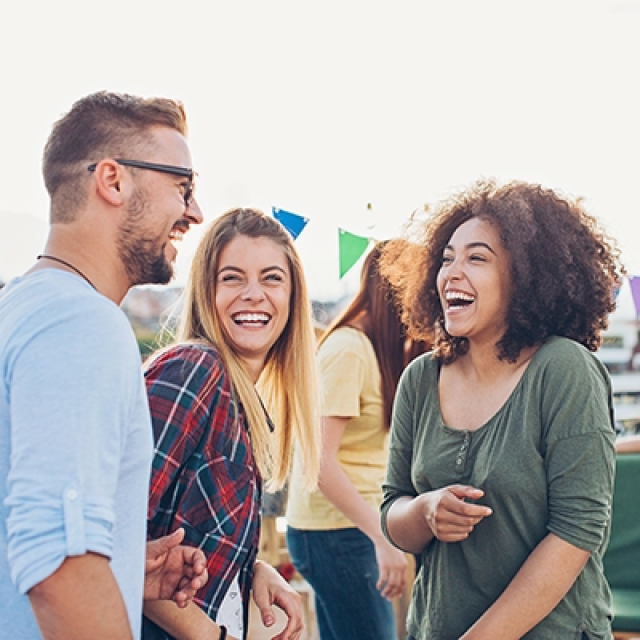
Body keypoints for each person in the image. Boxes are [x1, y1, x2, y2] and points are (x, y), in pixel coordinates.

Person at [0, 90, 207, 639]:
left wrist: (120, 573)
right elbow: (58, 564)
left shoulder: (19, 310)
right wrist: (87, 576)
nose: (194, 212)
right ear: (113, 180)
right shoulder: (81, 322)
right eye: (183, 186)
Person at [379, 179, 622, 639]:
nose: (453, 272)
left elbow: (577, 533)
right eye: (447, 257)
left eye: (477, 258)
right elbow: (393, 511)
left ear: (527, 278)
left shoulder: (564, 369)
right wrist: (425, 511)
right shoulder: (420, 378)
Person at [141, 207, 321, 640]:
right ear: (207, 291)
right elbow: (111, 540)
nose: (254, 294)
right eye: (232, 277)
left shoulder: (242, 405)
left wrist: (251, 568)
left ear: (294, 296)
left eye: (272, 278)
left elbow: (189, 532)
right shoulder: (195, 370)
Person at [286, 242, 428, 640]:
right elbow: (319, 463)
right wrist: (381, 537)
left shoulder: (376, 350)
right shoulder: (348, 349)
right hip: (339, 533)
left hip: (355, 529)